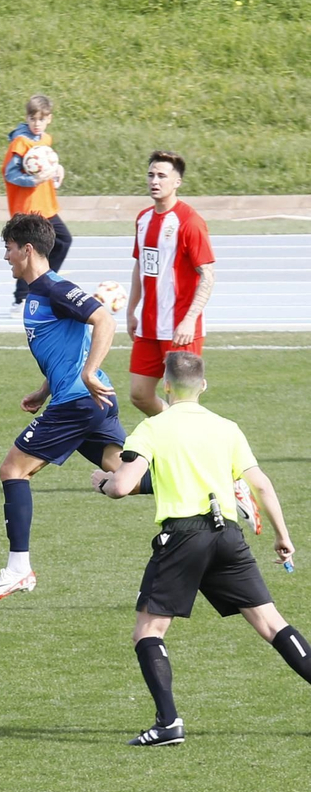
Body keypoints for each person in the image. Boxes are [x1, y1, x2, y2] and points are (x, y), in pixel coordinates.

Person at [91, 352, 297, 746]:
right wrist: (281, 536)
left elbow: (121, 486)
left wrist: (103, 482)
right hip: (227, 537)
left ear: (165, 386)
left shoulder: (151, 428)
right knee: (272, 624)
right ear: (203, 386)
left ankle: (168, 723)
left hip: (183, 538)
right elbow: (262, 485)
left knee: (148, 631)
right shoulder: (227, 428)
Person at [0, 213, 126, 601]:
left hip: (78, 401)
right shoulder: (38, 293)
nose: (5, 257)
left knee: (13, 470)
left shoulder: (54, 288)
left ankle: (18, 568)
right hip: (87, 400)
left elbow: (103, 320)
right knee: (123, 473)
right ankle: (218, 485)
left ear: (27, 249)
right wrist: (43, 390)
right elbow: (66, 347)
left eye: (8, 249)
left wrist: (89, 372)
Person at [122, 150, 255, 530]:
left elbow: (207, 274)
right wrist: (132, 308)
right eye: (150, 174)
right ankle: (180, 443)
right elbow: (140, 265)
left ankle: (231, 478)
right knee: (139, 396)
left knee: (185, 403)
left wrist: (190, 317)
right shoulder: (143, 218)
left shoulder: (190, 222)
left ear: (177, 181)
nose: (154, 181)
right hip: (148, 327)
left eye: (162, 175)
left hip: (180, 329)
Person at [2, 93, 72, 316]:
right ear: (27, 118)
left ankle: (44, 283)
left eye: (41, 119)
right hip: (27, 209)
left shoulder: (45, 140)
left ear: (49, 119)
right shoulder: (20, 143)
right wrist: (34, 180)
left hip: (46, 206)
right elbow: (10, 173)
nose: (36, 123)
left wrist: (57, 172)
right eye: (32, 119)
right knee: (28, 253)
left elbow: (48, 163)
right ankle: (20, 299)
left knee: (63, 240)